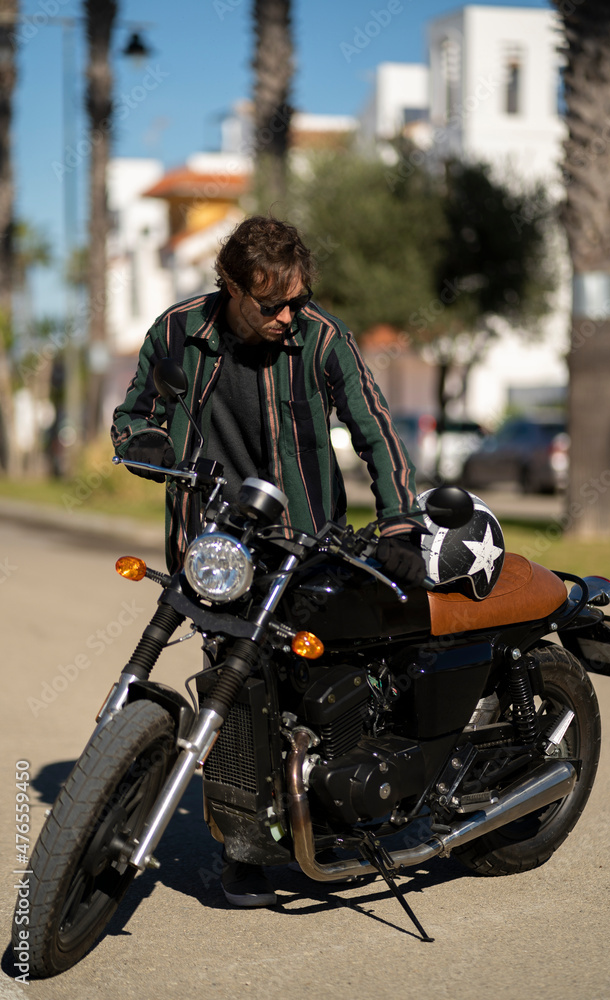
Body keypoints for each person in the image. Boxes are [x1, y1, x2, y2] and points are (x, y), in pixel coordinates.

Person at [111, 214, 426, 906]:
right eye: (271, 303)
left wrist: (400, 522)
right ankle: (243, 846)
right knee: (233, 692)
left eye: (297, 299)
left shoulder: (322, 338)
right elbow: (133, 417)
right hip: (215, 544)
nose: (288, 314)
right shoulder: (175, 333)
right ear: (229, 287)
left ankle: (345, 802)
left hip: (306, 543)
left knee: (321, 677)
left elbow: (375, 430)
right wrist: (150, 447)